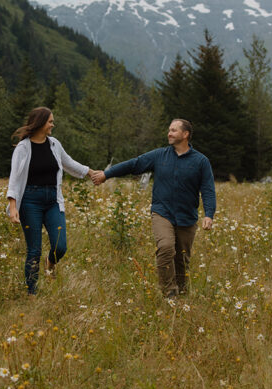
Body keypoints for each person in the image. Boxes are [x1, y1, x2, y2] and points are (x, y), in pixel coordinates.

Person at [92, 118, 215, 298]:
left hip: (187, 217)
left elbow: (208, 190)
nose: (169, 133)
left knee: (182, 260)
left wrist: (209, 214)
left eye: (173, 130)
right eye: (169, 130)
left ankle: (182, 295)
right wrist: (106, 174)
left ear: (185, 134)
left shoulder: (201, 161)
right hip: (162, 212)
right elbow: (134, 164)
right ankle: (169, 294)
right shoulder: (159, 155)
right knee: (166, 247)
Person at [7, 107, 104, 295]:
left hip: (53, 201)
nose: (53, 124)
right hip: (30, 202)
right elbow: (15, 178)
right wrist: (13, 206)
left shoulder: (54, 144)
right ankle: (31, 293)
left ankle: (50, 263)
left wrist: (91, 172)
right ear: (41, 123)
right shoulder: (23, 148)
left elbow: (69, 163)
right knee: (34, 250)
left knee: (60, 246)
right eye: (50, 121)